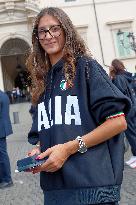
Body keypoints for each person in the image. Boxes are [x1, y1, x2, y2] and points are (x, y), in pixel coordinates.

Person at [26, 7, 131, 205]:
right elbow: (53, 129)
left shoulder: (87, 68)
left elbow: (118, 123)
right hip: (55, 190)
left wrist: (69, 148)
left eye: (55, 29)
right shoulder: (43, 83)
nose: (49, 36)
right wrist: (39, 151)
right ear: (37, 38)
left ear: (66, 31)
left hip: (92, 188)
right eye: (42, 31)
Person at [109, 59, 136, 168]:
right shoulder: (125, 76)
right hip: (132, 106)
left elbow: (119, 95)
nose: (110, 67)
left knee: (131, 133)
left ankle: (135, 155)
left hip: (127, 109)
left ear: (114, 66)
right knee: (133, 131)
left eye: (111, 66)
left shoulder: (118, 78)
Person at [0, 90, 13, 189]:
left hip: (1, 129)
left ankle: (7, 179)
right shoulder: (3, 94)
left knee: (2, 155)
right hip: (2, 128)